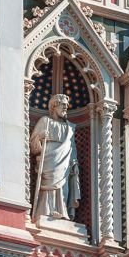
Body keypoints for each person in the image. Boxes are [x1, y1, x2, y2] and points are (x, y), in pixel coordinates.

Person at [29, 93, 79, 222]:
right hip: (49, 157)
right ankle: (45, 210)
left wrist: (74, 163)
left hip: (65, 159)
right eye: (63, 105)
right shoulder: (45, 121)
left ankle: (62, 211)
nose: (65, 108)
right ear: (54, 106)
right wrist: (40, 136)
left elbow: (71, 146)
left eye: (67, 106)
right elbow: (33, 143)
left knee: (64, 186)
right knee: (49, 184)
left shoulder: (70, 127)